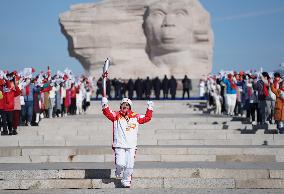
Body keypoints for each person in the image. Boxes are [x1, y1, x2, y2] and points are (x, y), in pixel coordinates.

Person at [101, 97, 154, 188]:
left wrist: (150, 107)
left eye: (127, 105)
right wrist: (104, 104)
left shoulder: (135, 116)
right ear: (121, 106)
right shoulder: (116, 115)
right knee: (120, 163)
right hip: (119, 144)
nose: (125, 106)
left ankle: (126, 180)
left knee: (130, 165)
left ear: (129, 107)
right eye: (123, 104)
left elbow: (147, 118)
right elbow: (107, 113)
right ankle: (118, 170)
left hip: (131, 145)